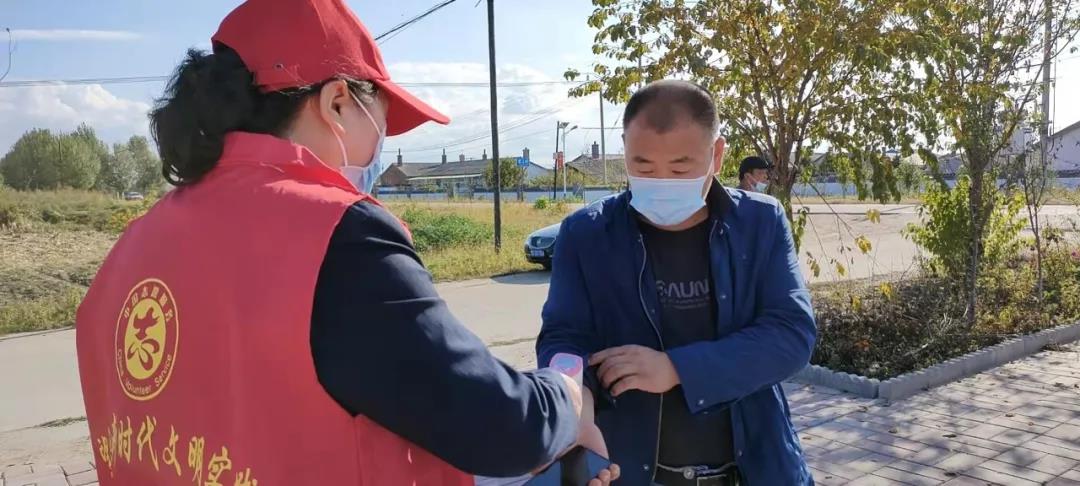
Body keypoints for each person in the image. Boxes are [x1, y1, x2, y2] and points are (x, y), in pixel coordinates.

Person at [75, 0, 618, 484]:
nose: (380, 147)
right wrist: (568, 399)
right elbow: (499, 426)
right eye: (382, 119)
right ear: (337, 102)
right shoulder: (338, 234)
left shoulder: (135, 243)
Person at [536, 80, 817, 486]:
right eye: (644, 167)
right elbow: (563, 338)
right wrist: (573, 400)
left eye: (681, 168)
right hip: (629, 471)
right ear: (625, 150)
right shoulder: (587, 234)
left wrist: (676, 368)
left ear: (716, 155)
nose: (662, 181)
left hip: (753, 468)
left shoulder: (760, 223)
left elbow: (791, 334)